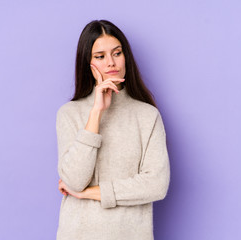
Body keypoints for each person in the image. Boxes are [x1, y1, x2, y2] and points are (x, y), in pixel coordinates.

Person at [56, 19, 170, 240]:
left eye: (117, 53)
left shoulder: (147, 116)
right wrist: (96, 112)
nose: (111, 63)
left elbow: (156, 184)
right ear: (88, 64)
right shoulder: (69, 113)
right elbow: (74, 181)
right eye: (100, 56)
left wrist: (89, 193)